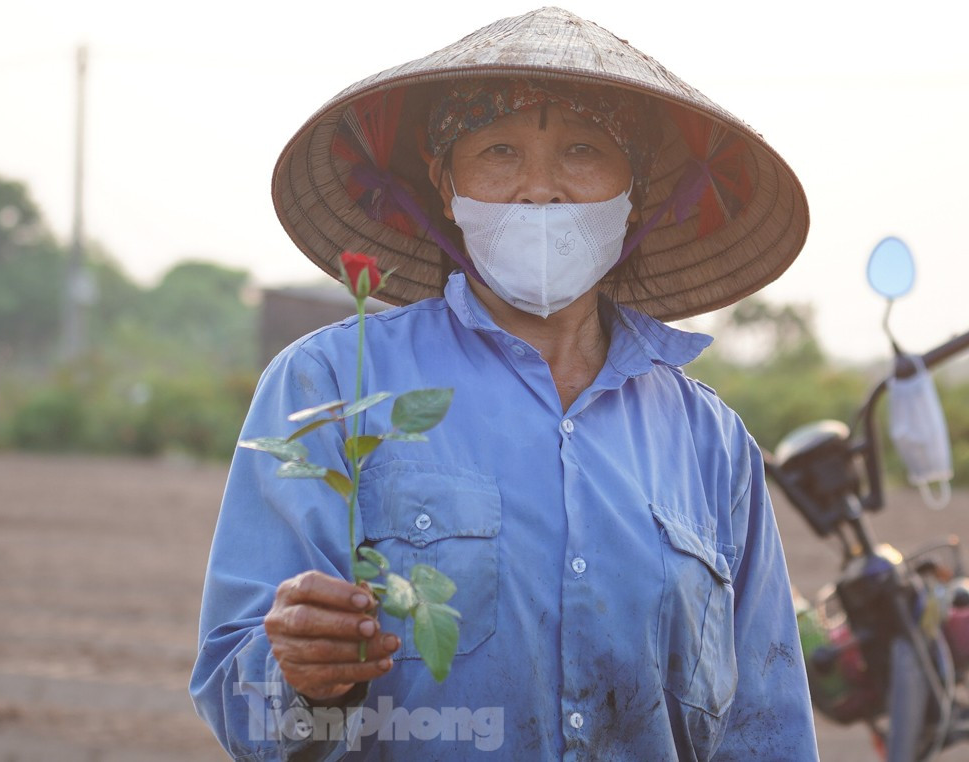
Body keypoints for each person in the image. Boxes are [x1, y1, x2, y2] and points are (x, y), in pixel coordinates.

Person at [191, 7, 819, 759]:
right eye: (498, 150)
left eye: (583, 149)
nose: (540, 190)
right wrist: (303, 679)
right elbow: (247, 716)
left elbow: (766, 728)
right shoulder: (330, 383)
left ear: (636, 192)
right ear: (446, 186)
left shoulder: (711, 445)